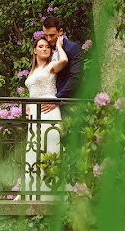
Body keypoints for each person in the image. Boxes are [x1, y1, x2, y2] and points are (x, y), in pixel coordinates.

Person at [23, 36, 68, 198]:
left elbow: (64, 61)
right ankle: (33, 190)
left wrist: (59, 46)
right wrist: (28, 104)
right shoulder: (33, 70)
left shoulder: (51, 66)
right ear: (35, 50)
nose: (44, 49)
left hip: (49, 108)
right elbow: (33, 89)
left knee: (51, 147)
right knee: (35, 148)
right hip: (34, 112)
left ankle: (52, 192)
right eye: (40, 46)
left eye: (47, 47)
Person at [39, 16, 82, 115]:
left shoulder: (72, 48)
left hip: (66, 102)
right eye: (46, 35)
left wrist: (57, 99)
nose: (48, 39)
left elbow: (75, 77)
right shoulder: (45, 47)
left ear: (60, 31)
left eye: (52, 35)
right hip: (46, 101)